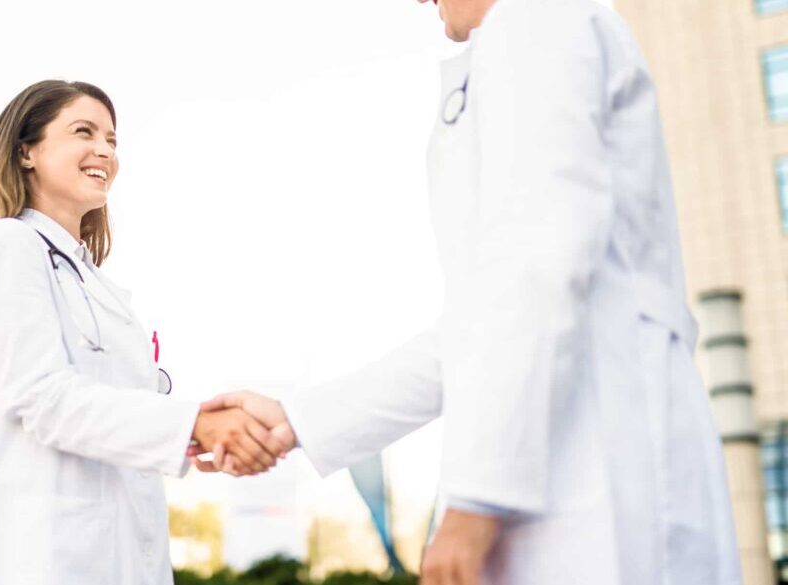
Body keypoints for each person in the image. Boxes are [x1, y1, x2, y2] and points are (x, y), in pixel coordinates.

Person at [198, 1, 741, 583]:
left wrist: (479, 500)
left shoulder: (536, 18)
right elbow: (478, 327)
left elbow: (535, 270)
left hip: (601, 472)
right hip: (570, 469)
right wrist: (297, 421)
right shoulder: (521, 35)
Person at [0, 80, 284, 585]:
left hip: (117, 557)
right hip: (34, 558)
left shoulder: (96, 284)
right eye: (84, 132)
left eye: (112, 140)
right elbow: (41, 396)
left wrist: (203, 434)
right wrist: (194, 425)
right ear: (27, 151)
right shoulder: (10, 244)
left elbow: (118, 416)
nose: (104, 150)